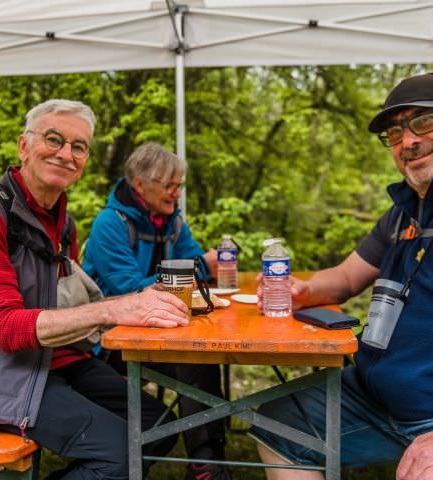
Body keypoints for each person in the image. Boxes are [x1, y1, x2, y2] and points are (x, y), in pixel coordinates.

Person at [0, 99, 190, 480]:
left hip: (59, 360)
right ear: (24, 146)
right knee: (121, 454)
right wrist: (115, 309)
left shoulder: (65, 224)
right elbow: (6, 328)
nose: (66, 154)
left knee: (160, 426)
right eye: (54, 140)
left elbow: (65, 302)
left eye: (78, 147)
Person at [251, 72, 433, 480]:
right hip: (372, 397)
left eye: (422, 122)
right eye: (395, 131)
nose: (408, 141)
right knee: (275, 423)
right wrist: (303, 291)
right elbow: (348, 277)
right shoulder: (402, 212)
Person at [83, 143, 231, 480]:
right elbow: (129, 290)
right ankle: (203, 458)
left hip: (159, 325)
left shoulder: (173, 220)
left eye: (179, 185)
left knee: (201, 350)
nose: (176, 194)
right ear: (139, 184)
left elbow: (195, 267)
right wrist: (197, 266)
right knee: (190, 352)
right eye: (169, 186)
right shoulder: (109, 224)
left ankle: (207, 460)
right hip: (108, 339)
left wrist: (201, 267)